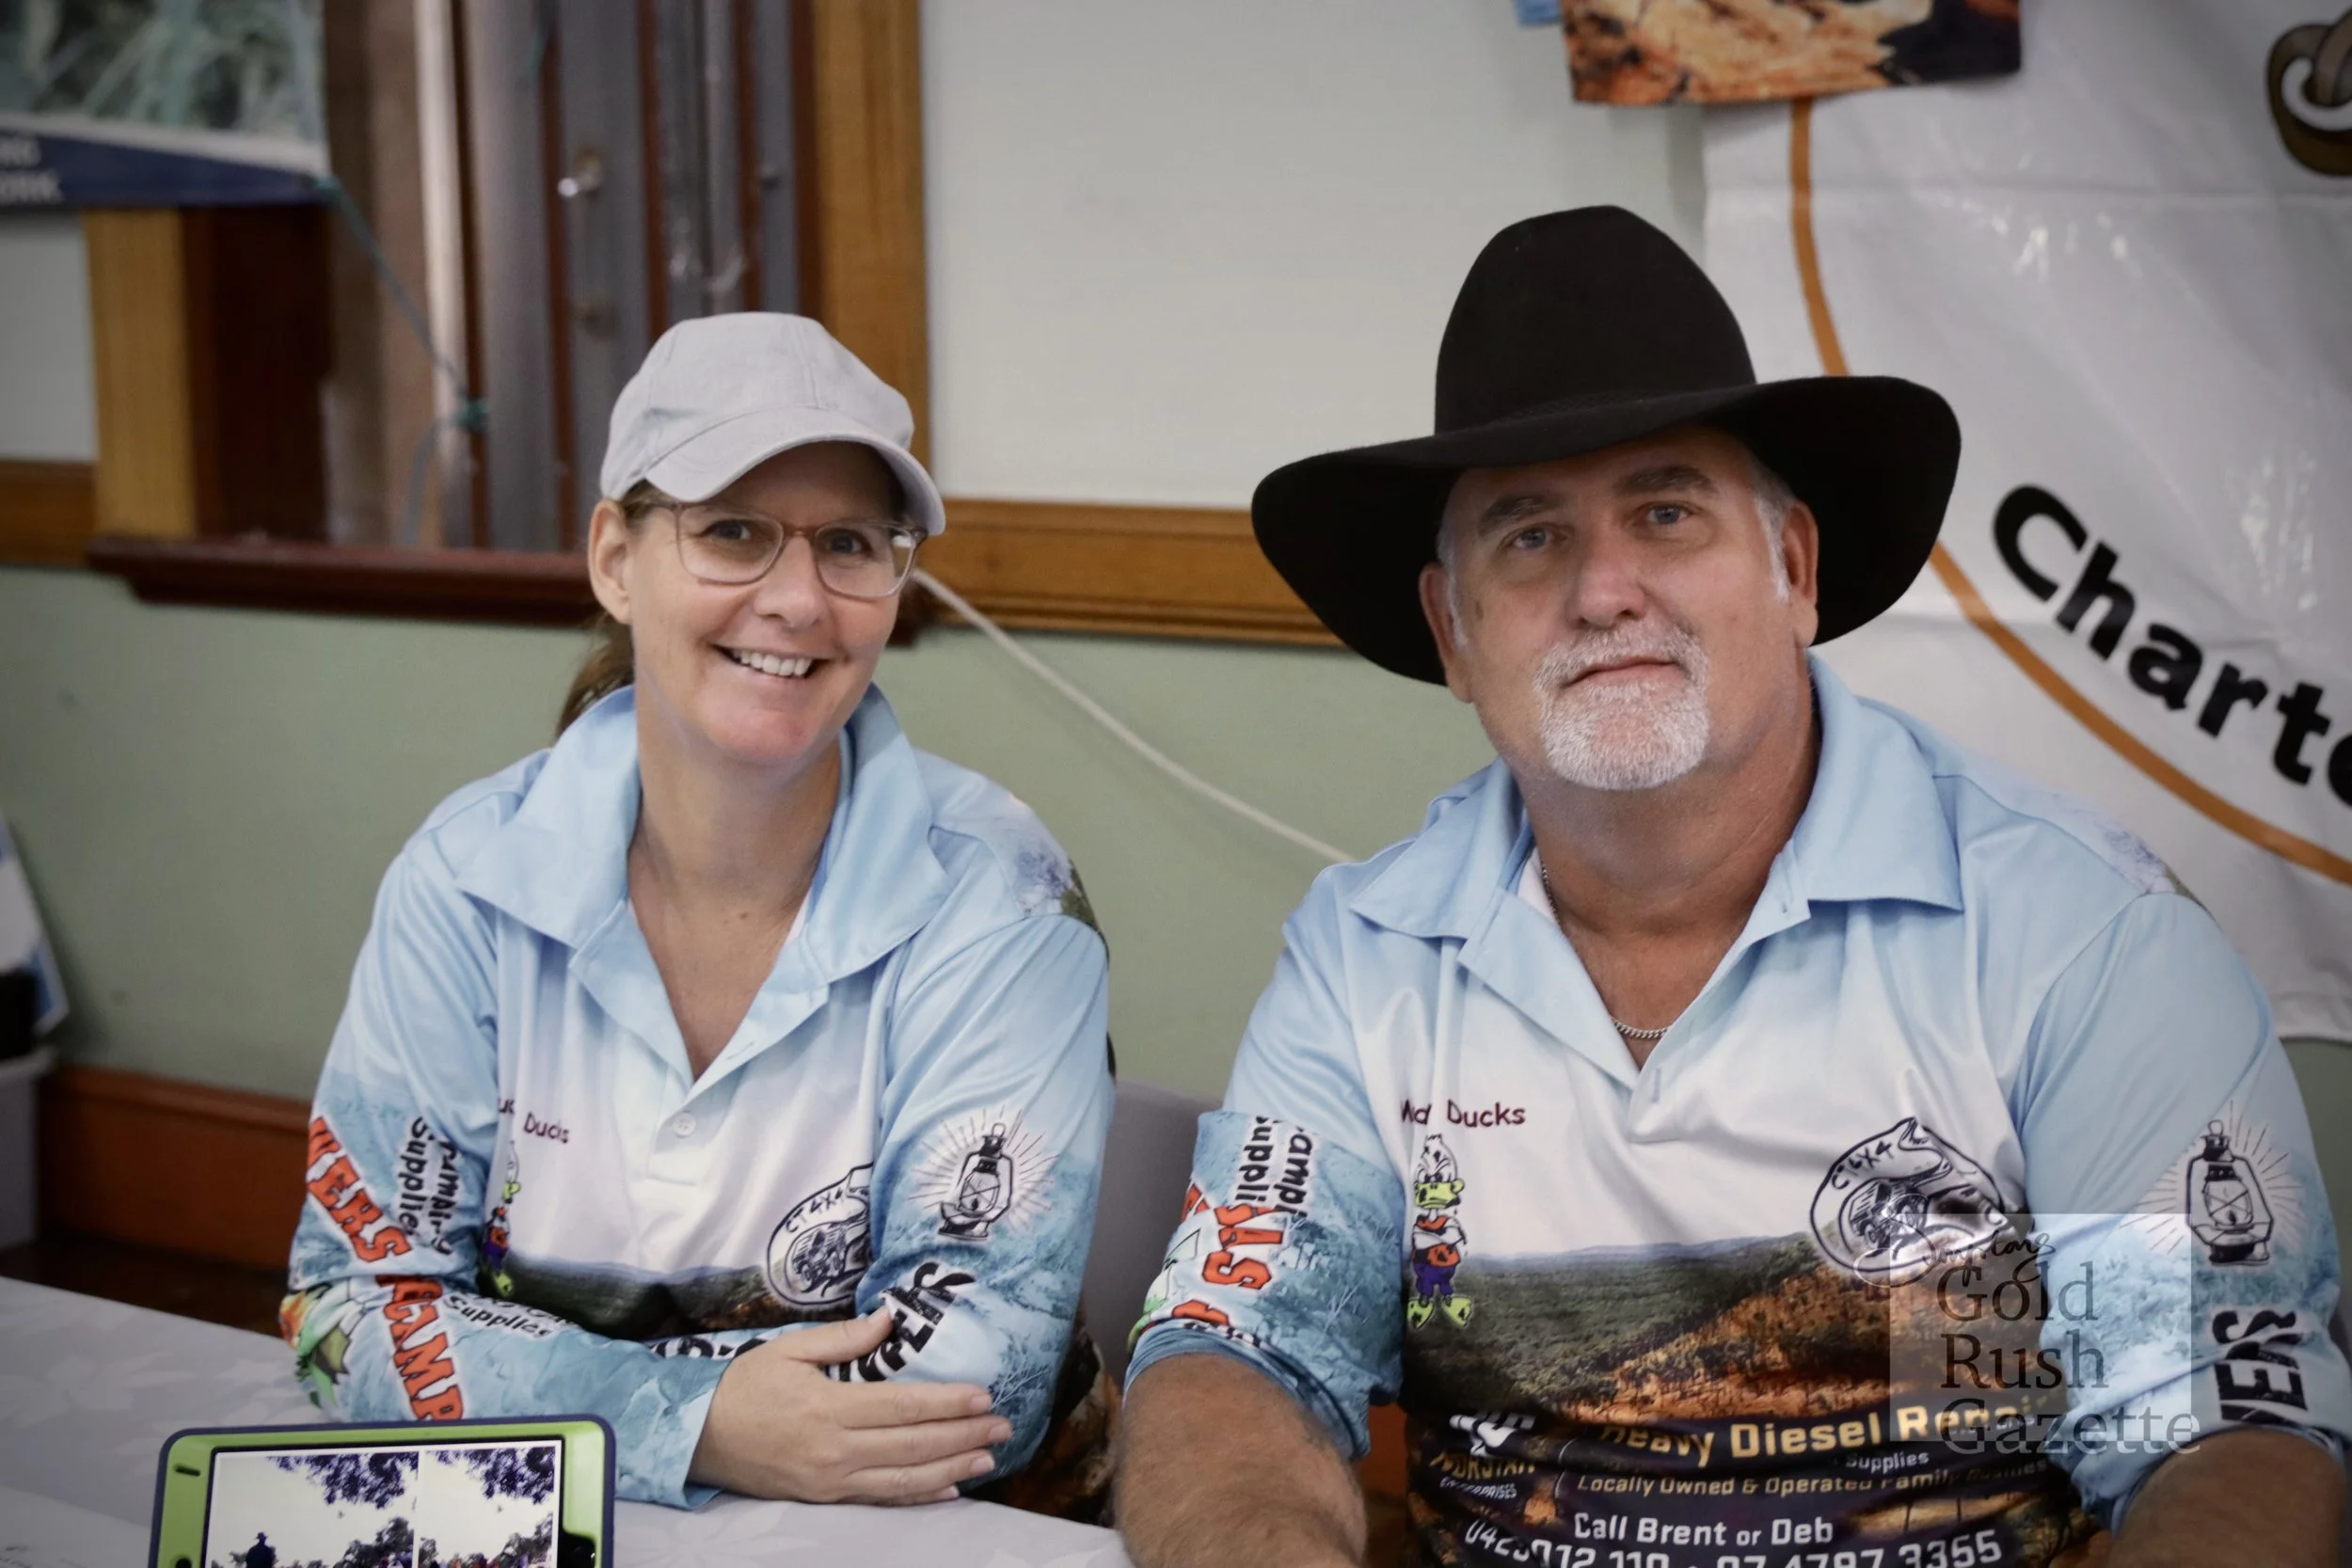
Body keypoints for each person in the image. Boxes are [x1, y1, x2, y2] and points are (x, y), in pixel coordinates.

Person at [1115, 209, 2352, 1567]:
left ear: (1796, 571)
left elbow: (2227, 1431)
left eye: (1665, 510)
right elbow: (1238, 1352)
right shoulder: (1364, 956)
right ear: (1450, 633)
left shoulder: (2081, 934)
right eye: (1528, 536)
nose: (1602, 589)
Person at [280, 314, 1115, 1513]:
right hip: (564, 1519)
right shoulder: (464, 878)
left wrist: (543, 1383)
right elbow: (343, 1310)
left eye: (848, 543)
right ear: (616, 558)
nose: (796, 599)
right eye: (732, 531)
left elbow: (982, 1378)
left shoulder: (1004, 901)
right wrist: (698, 1418)